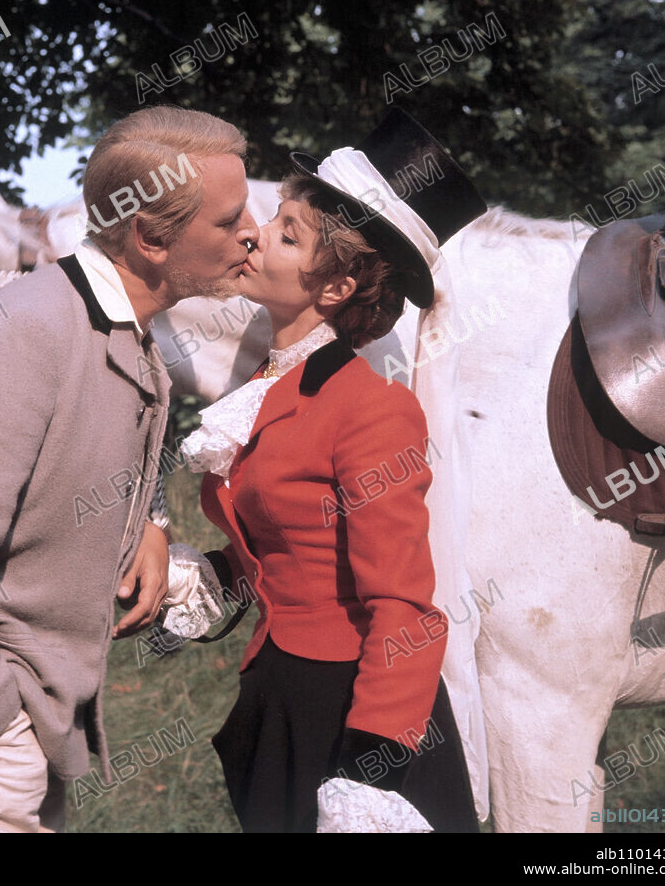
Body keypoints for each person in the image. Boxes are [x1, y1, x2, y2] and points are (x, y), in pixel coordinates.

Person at [0, 105, 261, 833]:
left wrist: (153, 524)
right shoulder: (28, 329)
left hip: (28, 727)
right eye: (230, 221)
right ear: (149, 238)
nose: (252, 234)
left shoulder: (126, 339)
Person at [174, 108, 486, 833]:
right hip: (281, 700)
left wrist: (369, 770)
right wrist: (212, 575)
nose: (256, 236)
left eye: (288, 233)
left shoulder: (373, 410)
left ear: (337, 287)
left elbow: (405, 608)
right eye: (272, 219)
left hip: (354, 716)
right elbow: (293, 546)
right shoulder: (268, 385)